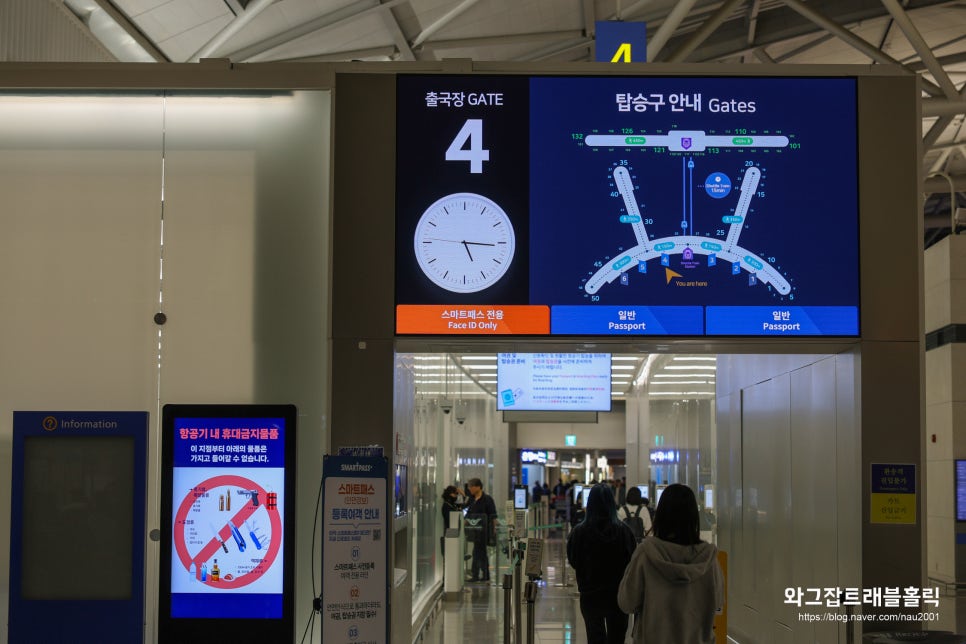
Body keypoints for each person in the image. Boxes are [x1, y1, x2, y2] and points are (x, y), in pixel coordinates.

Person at [617, 483, 724, 644]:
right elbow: (718, 603)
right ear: (694, 517)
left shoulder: (646, 554)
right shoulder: (708, 559)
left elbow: (626, 602)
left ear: (661, 515)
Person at [567, 484, 637, 644]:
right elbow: (632, 560)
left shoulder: (579, 532)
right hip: (618, 596)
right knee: (617, 637)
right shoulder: (624, 532)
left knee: (595, 637)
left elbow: (573, 560)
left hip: (590, 595)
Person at [464, 477, 497, 582]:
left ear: (478, 487)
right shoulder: (472, 500)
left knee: (479, 552)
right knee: (479, 552)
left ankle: (477, 574)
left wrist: (494, 530)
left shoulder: (487, 499)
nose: (469, 489)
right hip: (474, 531)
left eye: (471, 487)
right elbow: (467, 513)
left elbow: (493, 516)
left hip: (484, 531)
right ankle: (483, 574)